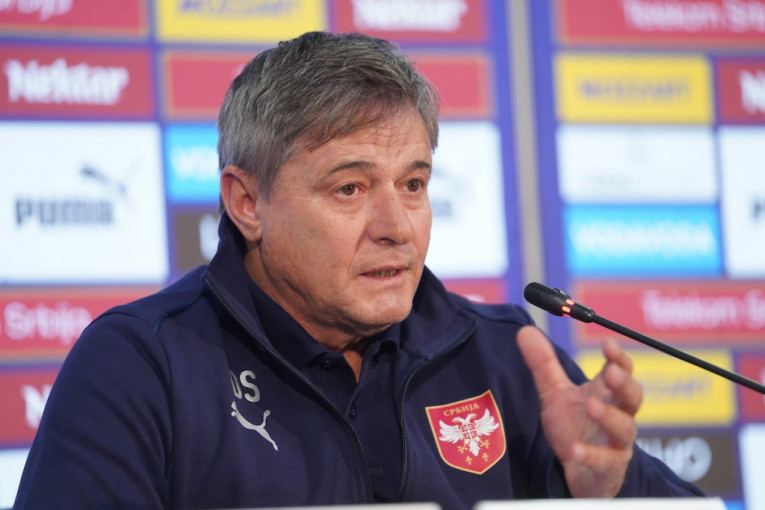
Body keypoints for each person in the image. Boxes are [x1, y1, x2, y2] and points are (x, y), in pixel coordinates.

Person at [14, 31, 704, 509]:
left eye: (413, 184)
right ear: (247, 203)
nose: (396, 226)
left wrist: (610, 493)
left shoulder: (505, 356)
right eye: (350, 188)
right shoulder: (141, 364)